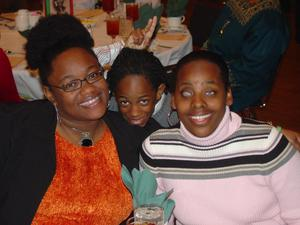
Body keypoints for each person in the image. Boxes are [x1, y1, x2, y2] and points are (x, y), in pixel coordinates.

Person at [0, 14, 158, 225]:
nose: (89, 90)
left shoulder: (131, 131)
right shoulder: (21, 128)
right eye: (71, 85)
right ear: (49, 93)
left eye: (93, 76)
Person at [140, 50, 300, 224]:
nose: (198, 103)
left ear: (228, 95)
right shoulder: (156, 150)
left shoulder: (268, 147)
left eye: (210, 92)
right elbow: (155, 216)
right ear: (173, 100)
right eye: (186, 93)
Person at [205, 0, 290, 112]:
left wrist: (208, 74)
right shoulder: (238, 3)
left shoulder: (270, 23)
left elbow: (250, 72)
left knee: (186, 93)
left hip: (241, 87)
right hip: (214, 67)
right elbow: (215, 37)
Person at [107, 47, 178, 128]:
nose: (134, 113)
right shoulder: (111, 109)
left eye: (143, 101)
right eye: (124, 102)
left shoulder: (176, 119)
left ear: (159, 91)